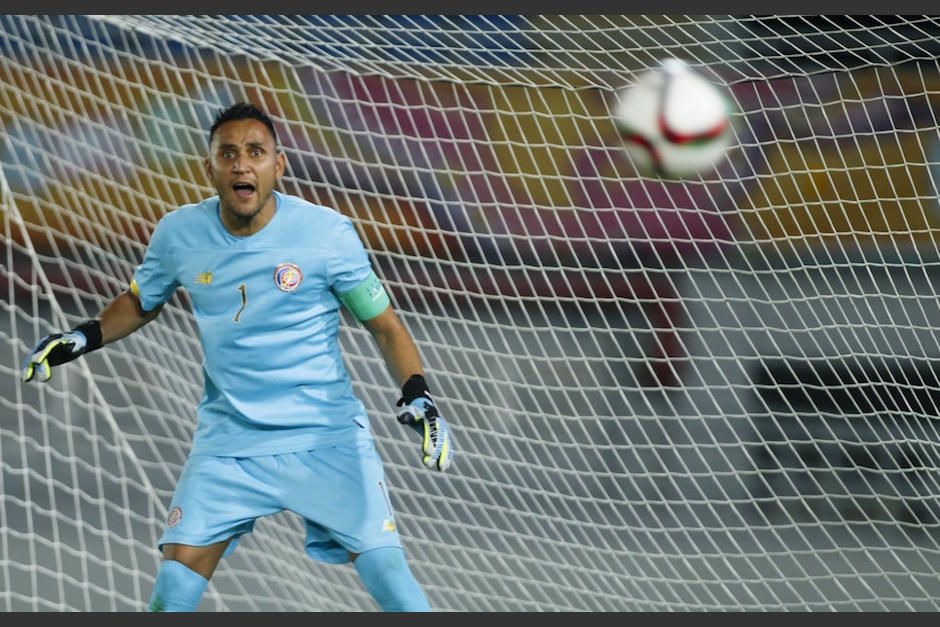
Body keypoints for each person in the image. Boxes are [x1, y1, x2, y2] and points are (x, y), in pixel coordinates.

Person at [21, 102, 453, 612]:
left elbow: (384, 326)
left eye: (255, 152)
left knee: (392, 583)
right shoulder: (179, 233)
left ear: (279, 164)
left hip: (325, 439)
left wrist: (418, 395)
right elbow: (141, 301)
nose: (241, 164)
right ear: (210, 168)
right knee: (173, 590)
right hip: (229, 443)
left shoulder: (326, 235)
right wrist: (82, 336)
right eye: (228, 154)